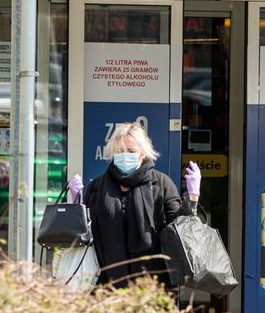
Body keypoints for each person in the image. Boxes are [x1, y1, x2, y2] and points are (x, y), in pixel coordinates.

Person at [68, 122, 201, 287]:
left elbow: (180, 232)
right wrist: (76, 206)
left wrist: (193, 198)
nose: (125, 156)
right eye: (120, 151)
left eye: (131, 151)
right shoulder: (97, 187)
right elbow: (85, 234)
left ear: (143, 154)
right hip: (107, 284)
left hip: (154, 286)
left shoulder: (161, 184)